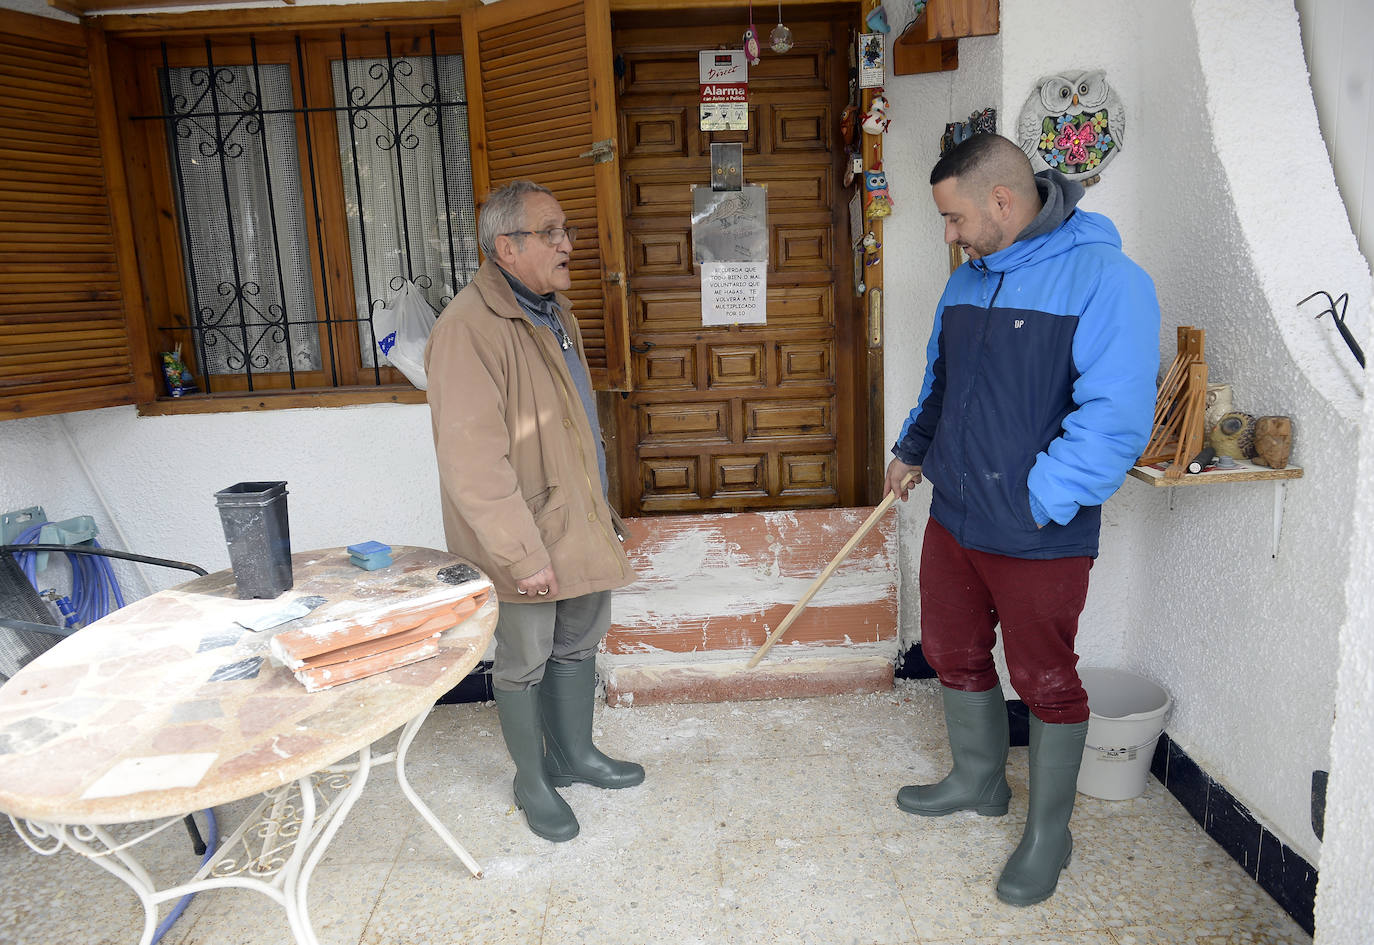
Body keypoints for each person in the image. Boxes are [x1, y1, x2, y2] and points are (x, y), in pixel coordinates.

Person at [885, 134, 1160, 905]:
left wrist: (1037, 498)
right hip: (957, 514)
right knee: (950, 650)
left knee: (1045, 678)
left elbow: (1114, 421)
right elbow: (940, 380)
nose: (949, 234)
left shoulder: (1109, 281)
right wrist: (912, 451)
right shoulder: (970, 281)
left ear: (1003, 201)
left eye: (954, 216)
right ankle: (978, 780)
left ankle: (1050, 833)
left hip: (1039, 527)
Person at [425, 180, 642, 843]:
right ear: (505, 247)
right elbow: (473, 463)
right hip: (525, 533)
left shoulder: (554, 313)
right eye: (550, 233)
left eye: (564, 230)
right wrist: (521, 554)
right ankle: (532, 777)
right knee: (523, 659)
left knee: (578, 643)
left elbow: (569, 427)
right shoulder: (467, 329)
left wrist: (600, 510)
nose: (567, 244)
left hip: (576, 519)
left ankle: (574, 755)